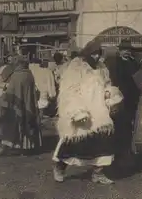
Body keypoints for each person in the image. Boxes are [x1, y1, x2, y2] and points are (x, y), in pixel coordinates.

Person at [52, 41, 123, 184]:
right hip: (83, 111)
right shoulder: (76, 68)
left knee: (104, 142)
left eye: (98, 53)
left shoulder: (102, 68)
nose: (96, 57)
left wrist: (110, 94)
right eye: (93, 53)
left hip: (100, 110)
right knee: (74, 142)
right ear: (87, 53)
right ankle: (60, 166)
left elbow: (107, 84)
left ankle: (98, 172)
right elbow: (70, 91)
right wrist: (77, 111)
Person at [0, 55, 42, 157]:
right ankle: (27, 147)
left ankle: (4, 148)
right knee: (28, 122)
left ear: (18, 64)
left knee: (10, 125)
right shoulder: (29, 75)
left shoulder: (17, 76)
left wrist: (2, 96)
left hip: (16, 105)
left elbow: (11, 92)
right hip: (28, 104)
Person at [103, 39, 142, 171]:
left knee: (129, 128)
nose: (126, 52)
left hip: (132, 100)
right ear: (119, 50)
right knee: (119, 128)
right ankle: (118, 155)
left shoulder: (133, 62)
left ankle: (126, 154)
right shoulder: (114, 63)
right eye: (124, 49)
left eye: (128, 50)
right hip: (118, 100)